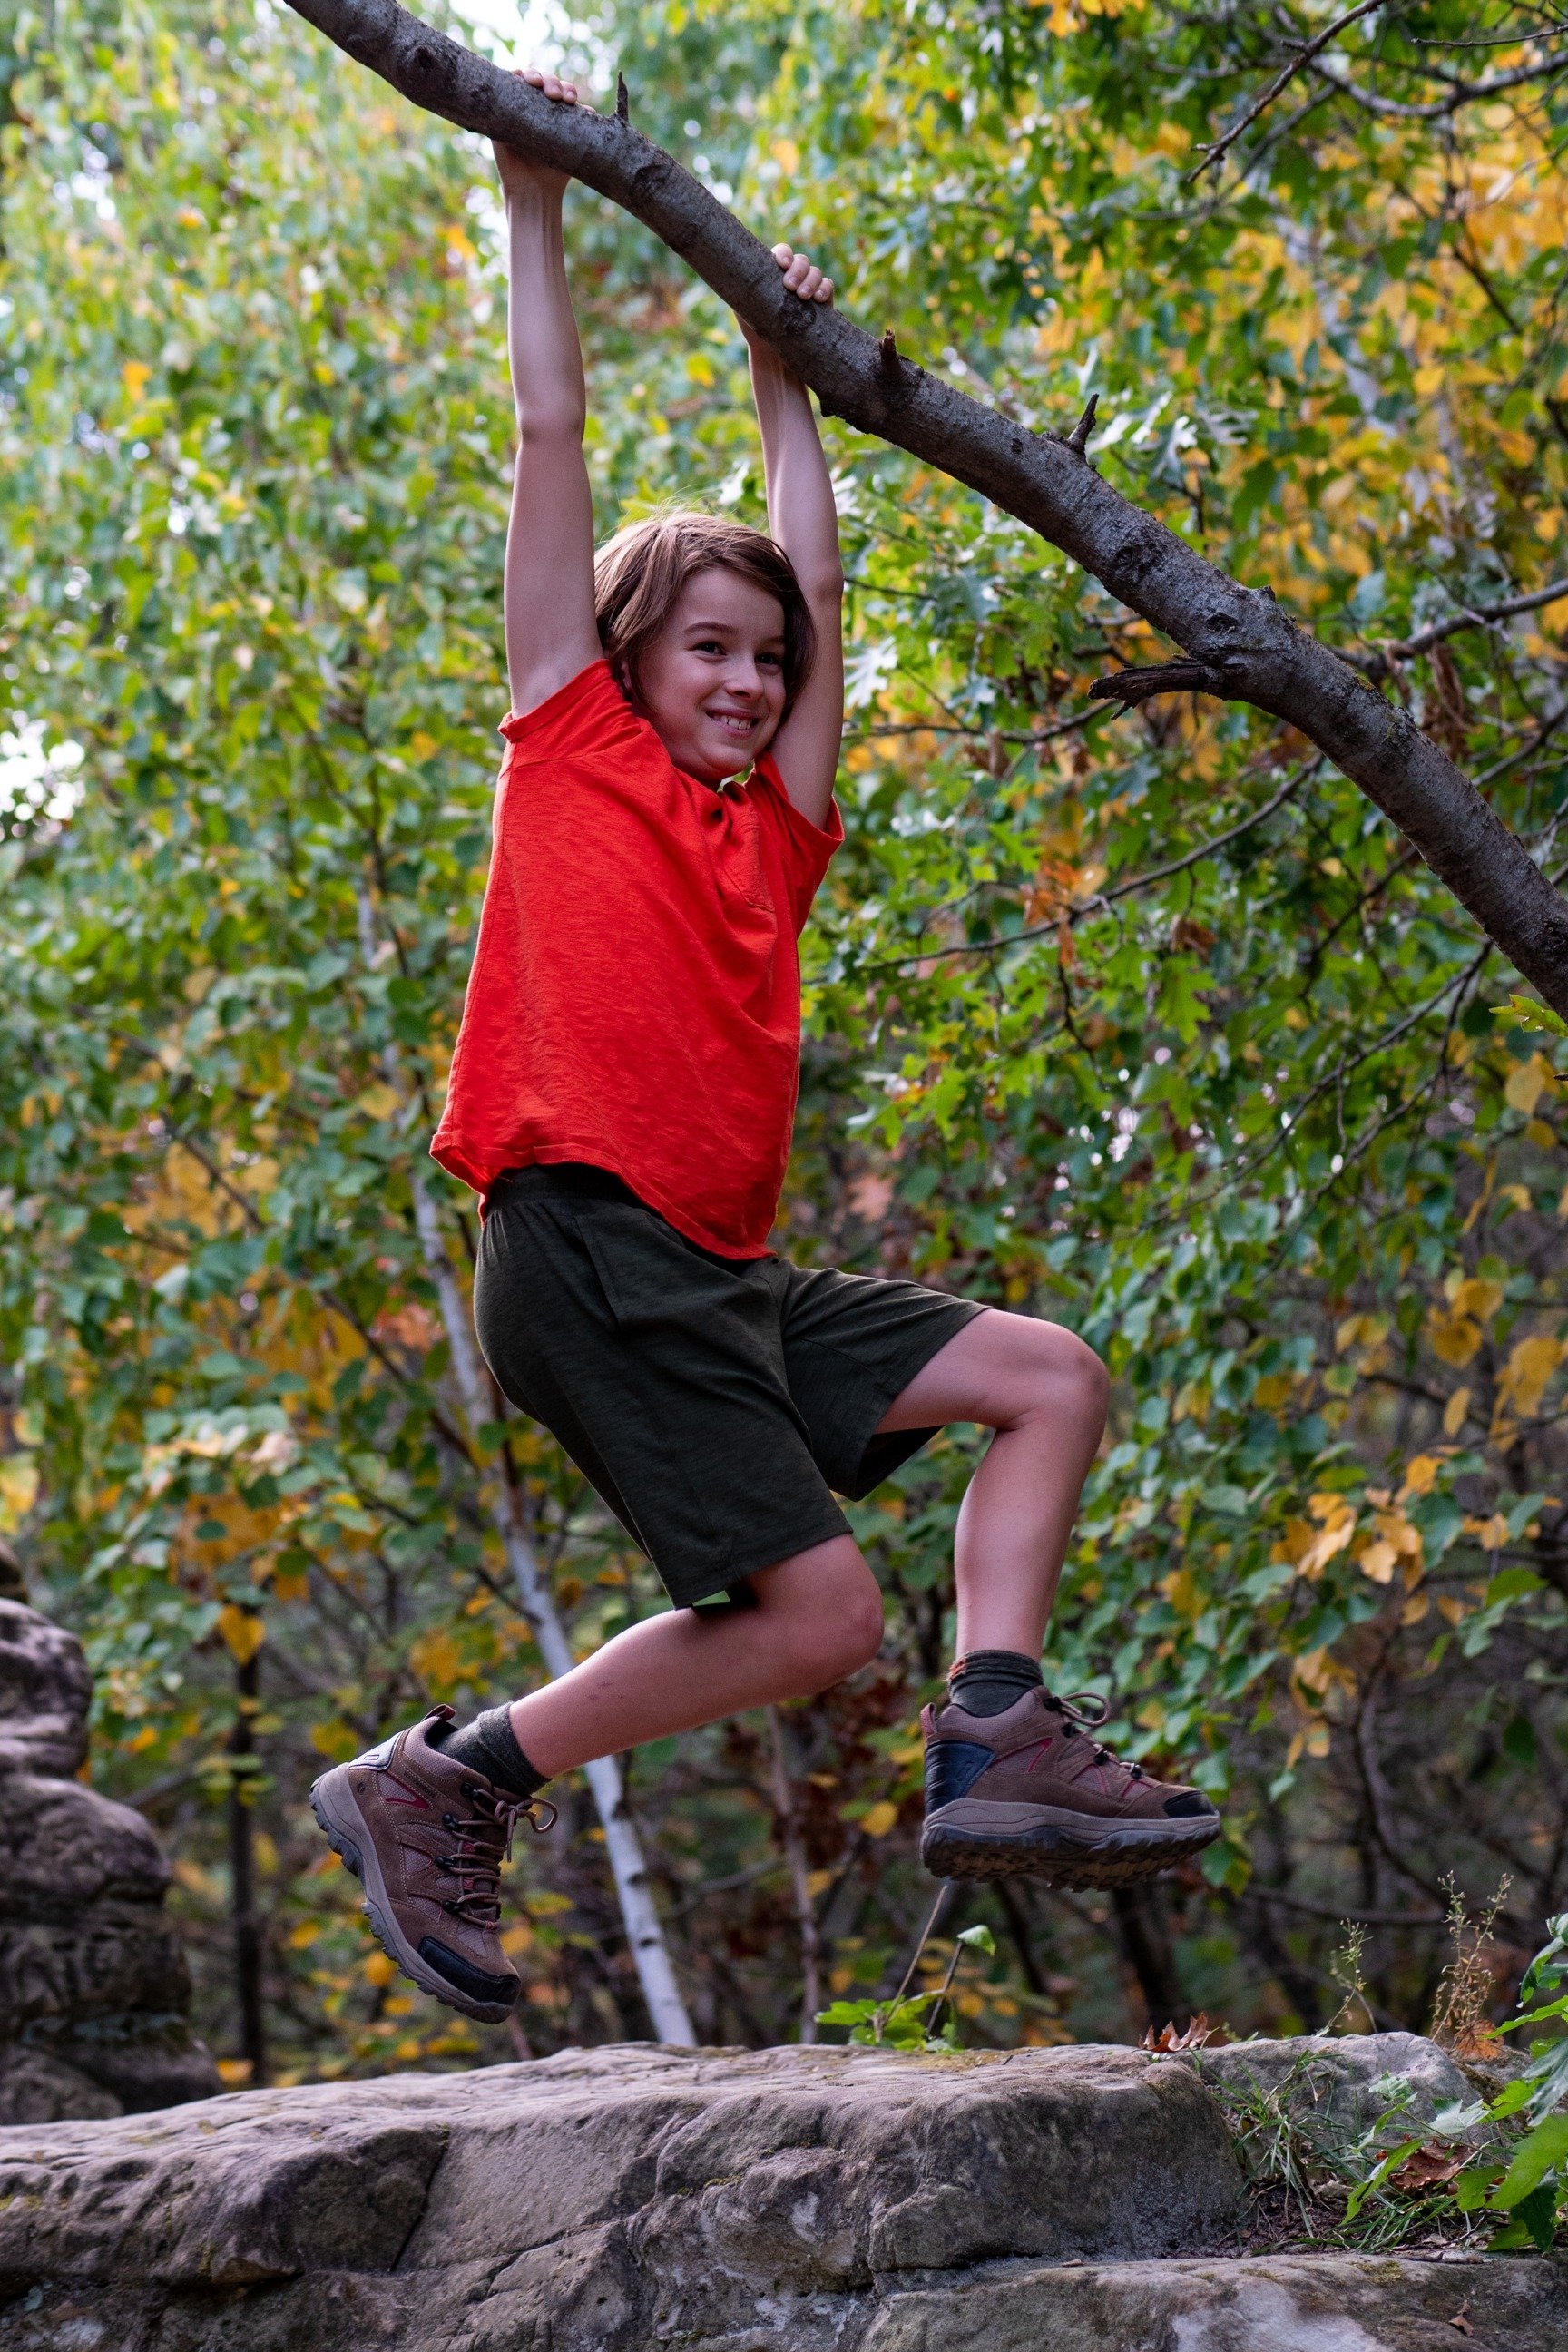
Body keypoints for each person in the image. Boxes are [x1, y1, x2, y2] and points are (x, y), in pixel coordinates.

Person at [309, 69, 1220, 2025]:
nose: (745, 681)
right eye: (707, 650)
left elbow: (825, 587)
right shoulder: (566, 743)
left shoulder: (777, 835)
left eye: (766, 661)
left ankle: (998, 1731)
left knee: (1050, 1378)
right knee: (817, 1616)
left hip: (723, 1279)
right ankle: (451, 1777)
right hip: (587, 1246)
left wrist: (780, 366)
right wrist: (532, 198)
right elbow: (549, 429)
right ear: (628, 655)